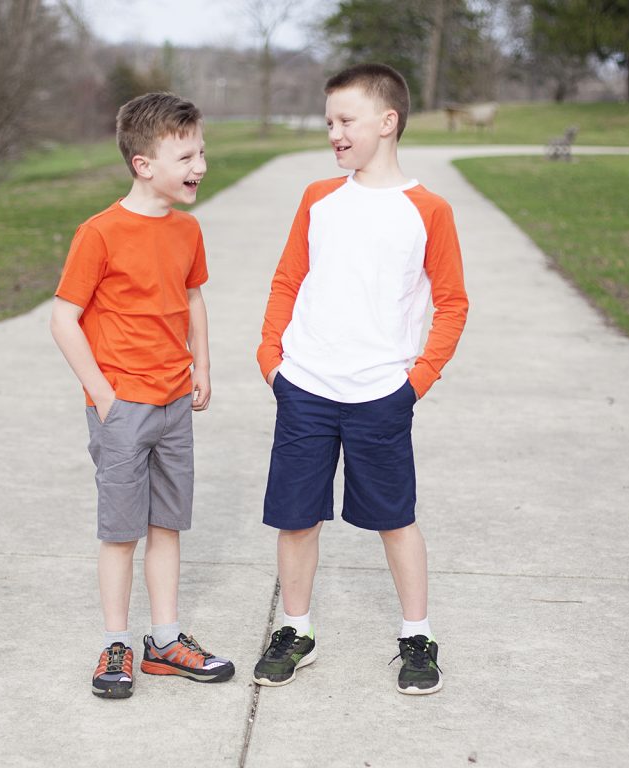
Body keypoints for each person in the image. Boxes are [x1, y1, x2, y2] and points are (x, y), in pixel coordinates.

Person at [253, 63, 468, 694]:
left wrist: (417, 380)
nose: (335, 133)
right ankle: (296, 629)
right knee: (296, 517)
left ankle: (417, 636)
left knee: (394, 518)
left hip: (381, 394)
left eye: (346, 120)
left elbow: (452, 303)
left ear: (388, 121)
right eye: (329, 122)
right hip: (306, 386)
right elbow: (288, 278)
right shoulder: (319, 198)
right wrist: (272, 360)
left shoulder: (428, 210)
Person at [50, 92, 234, 699]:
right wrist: (103, 396)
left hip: (175, 401)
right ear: (143, 164)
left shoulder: (188, 229)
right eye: (186, 156)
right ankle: (116, 644)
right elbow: (63, 319)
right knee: (121, 531)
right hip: (123, 407)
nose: (200, 166)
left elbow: (193, 298)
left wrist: (202, 364)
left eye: (201, 152)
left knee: (166, 525)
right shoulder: (100, 233)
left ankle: (165, 642)